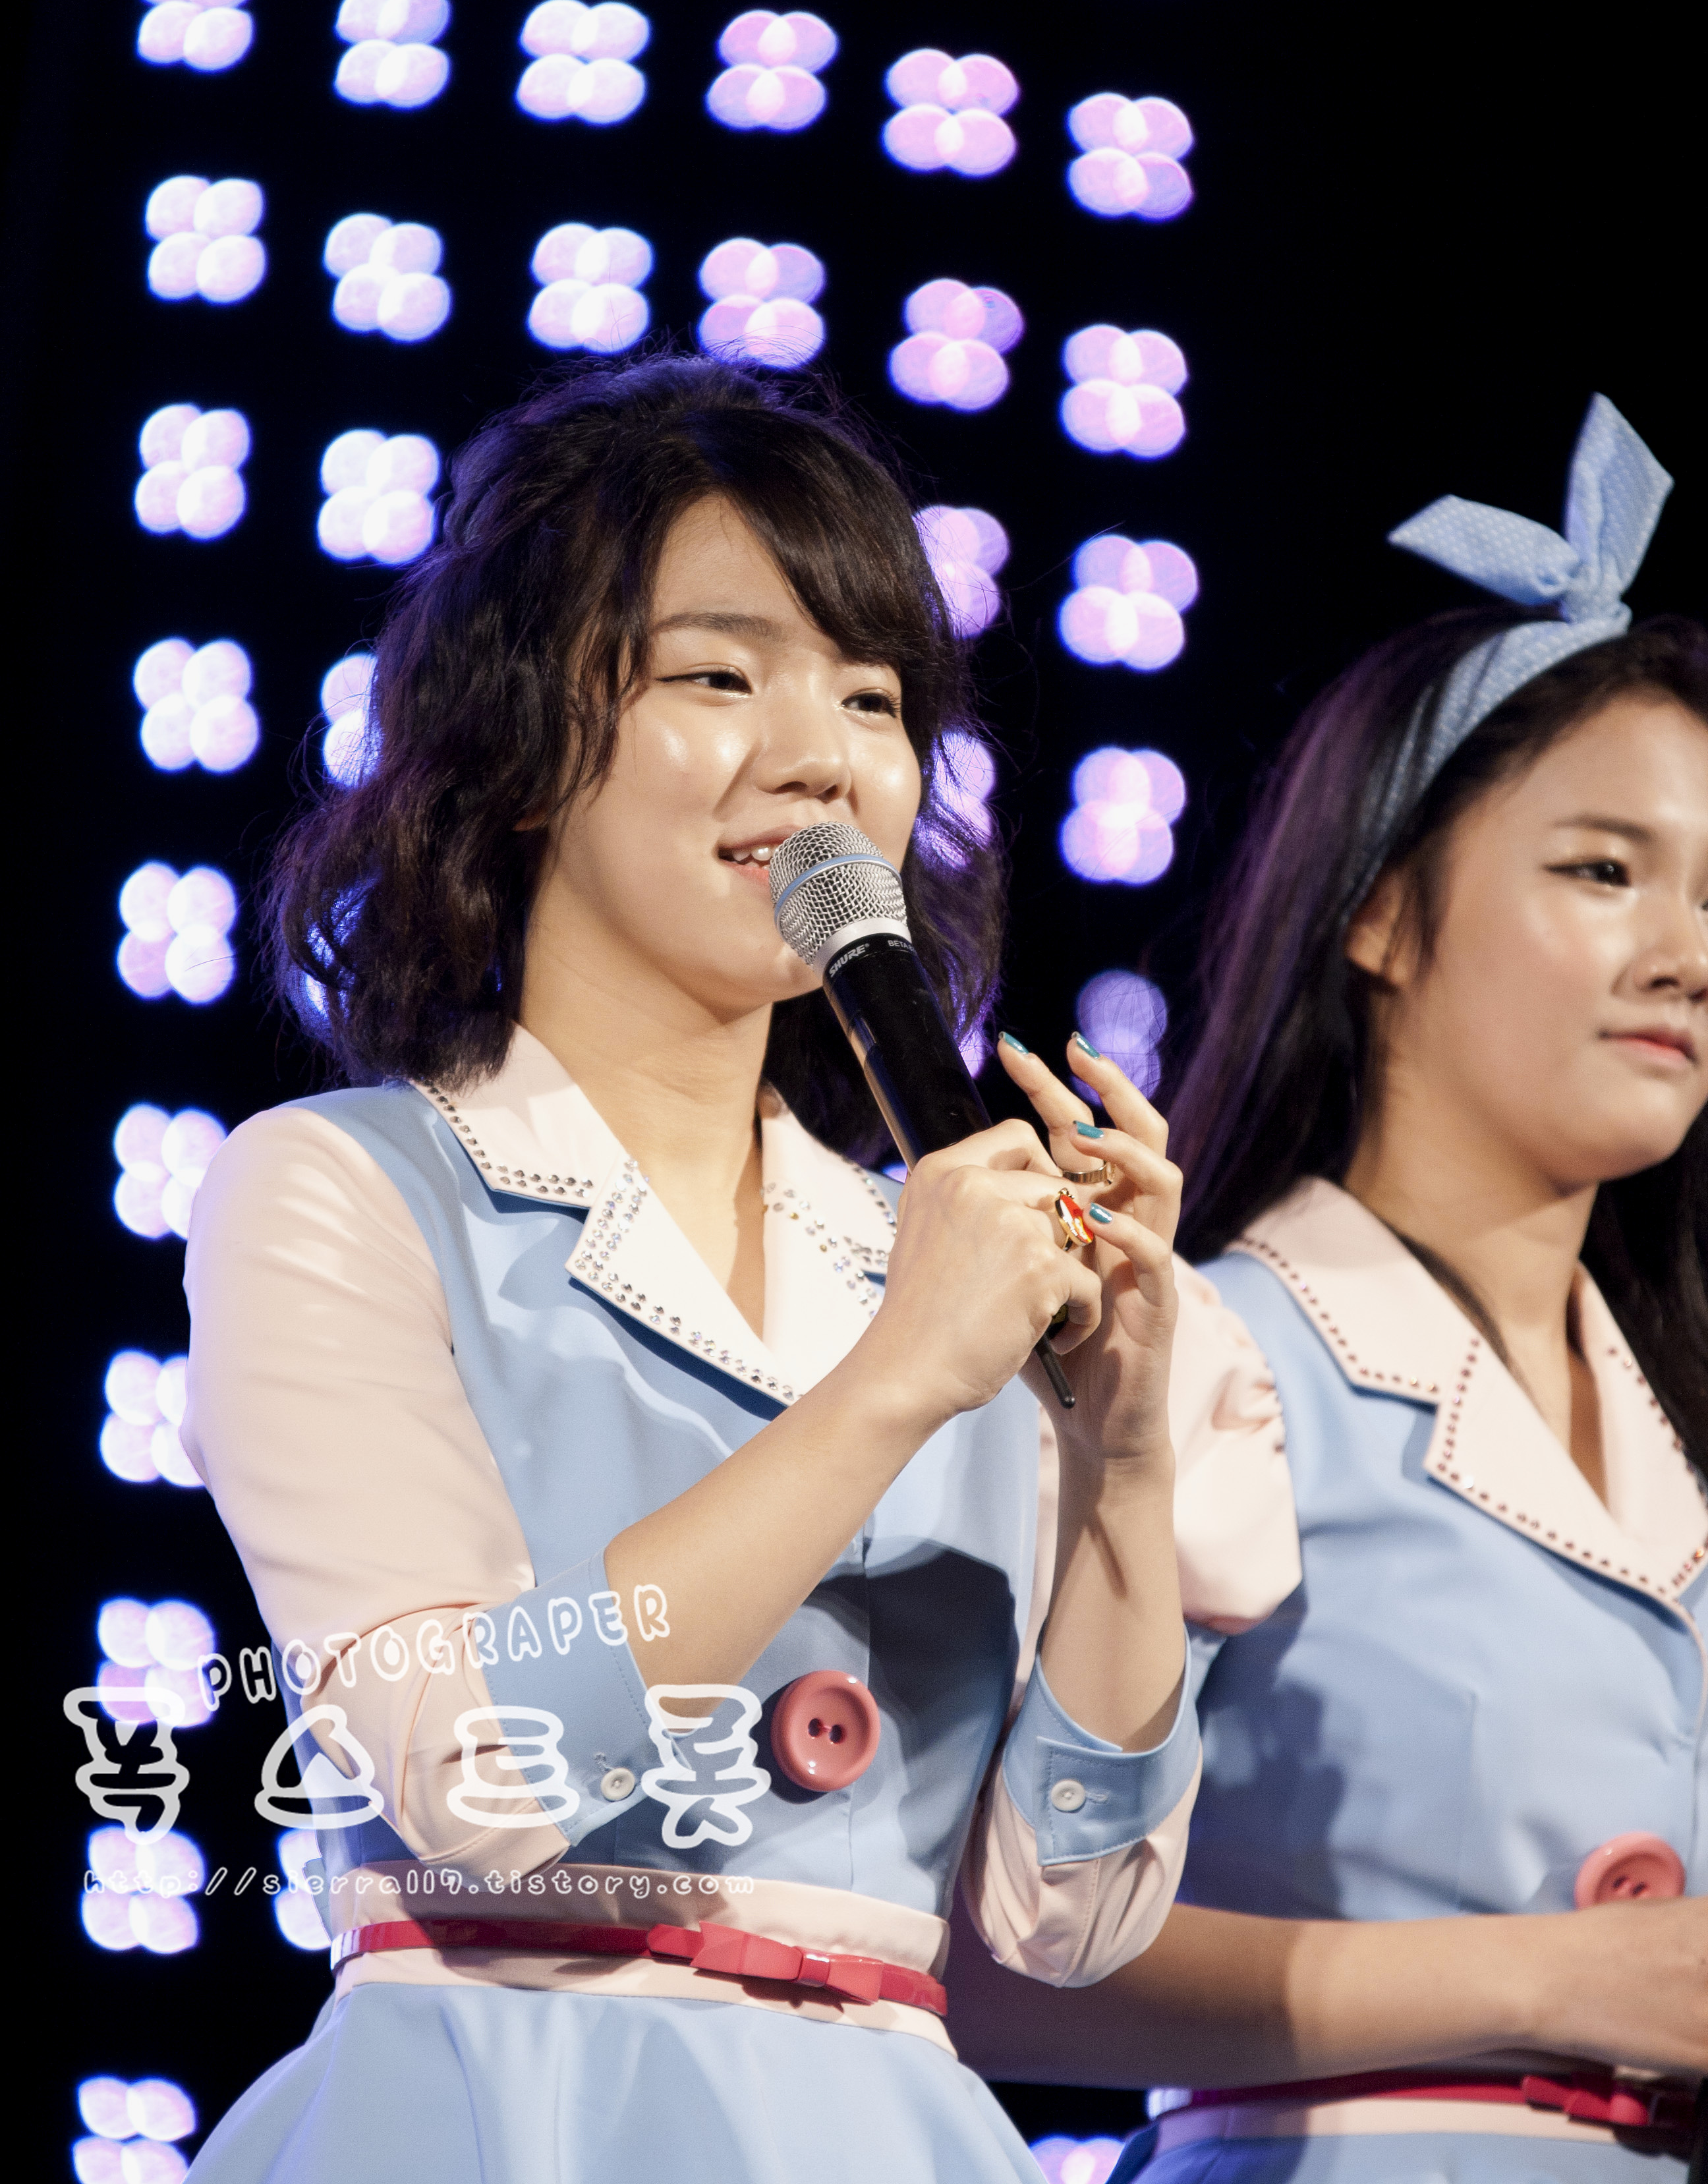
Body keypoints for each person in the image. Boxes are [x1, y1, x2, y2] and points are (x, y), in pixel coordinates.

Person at [181, 354, 1203, 2183]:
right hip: (499, 2104)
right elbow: (471, 1768)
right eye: (720, 677)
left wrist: (1123, 1460)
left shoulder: (938, 1253)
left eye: (872, 697)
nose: (820, 756)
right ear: (518, 745)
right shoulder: (343, 1191)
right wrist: (895, 1383)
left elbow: (1068, 1915)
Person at [946, 396, 1708, 2181]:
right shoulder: (1191, 1355)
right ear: (1378, 910)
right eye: (1603, 871)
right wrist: (1553, 1982)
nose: (1685, 954)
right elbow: (981, 1956)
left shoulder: (1671, 1413)